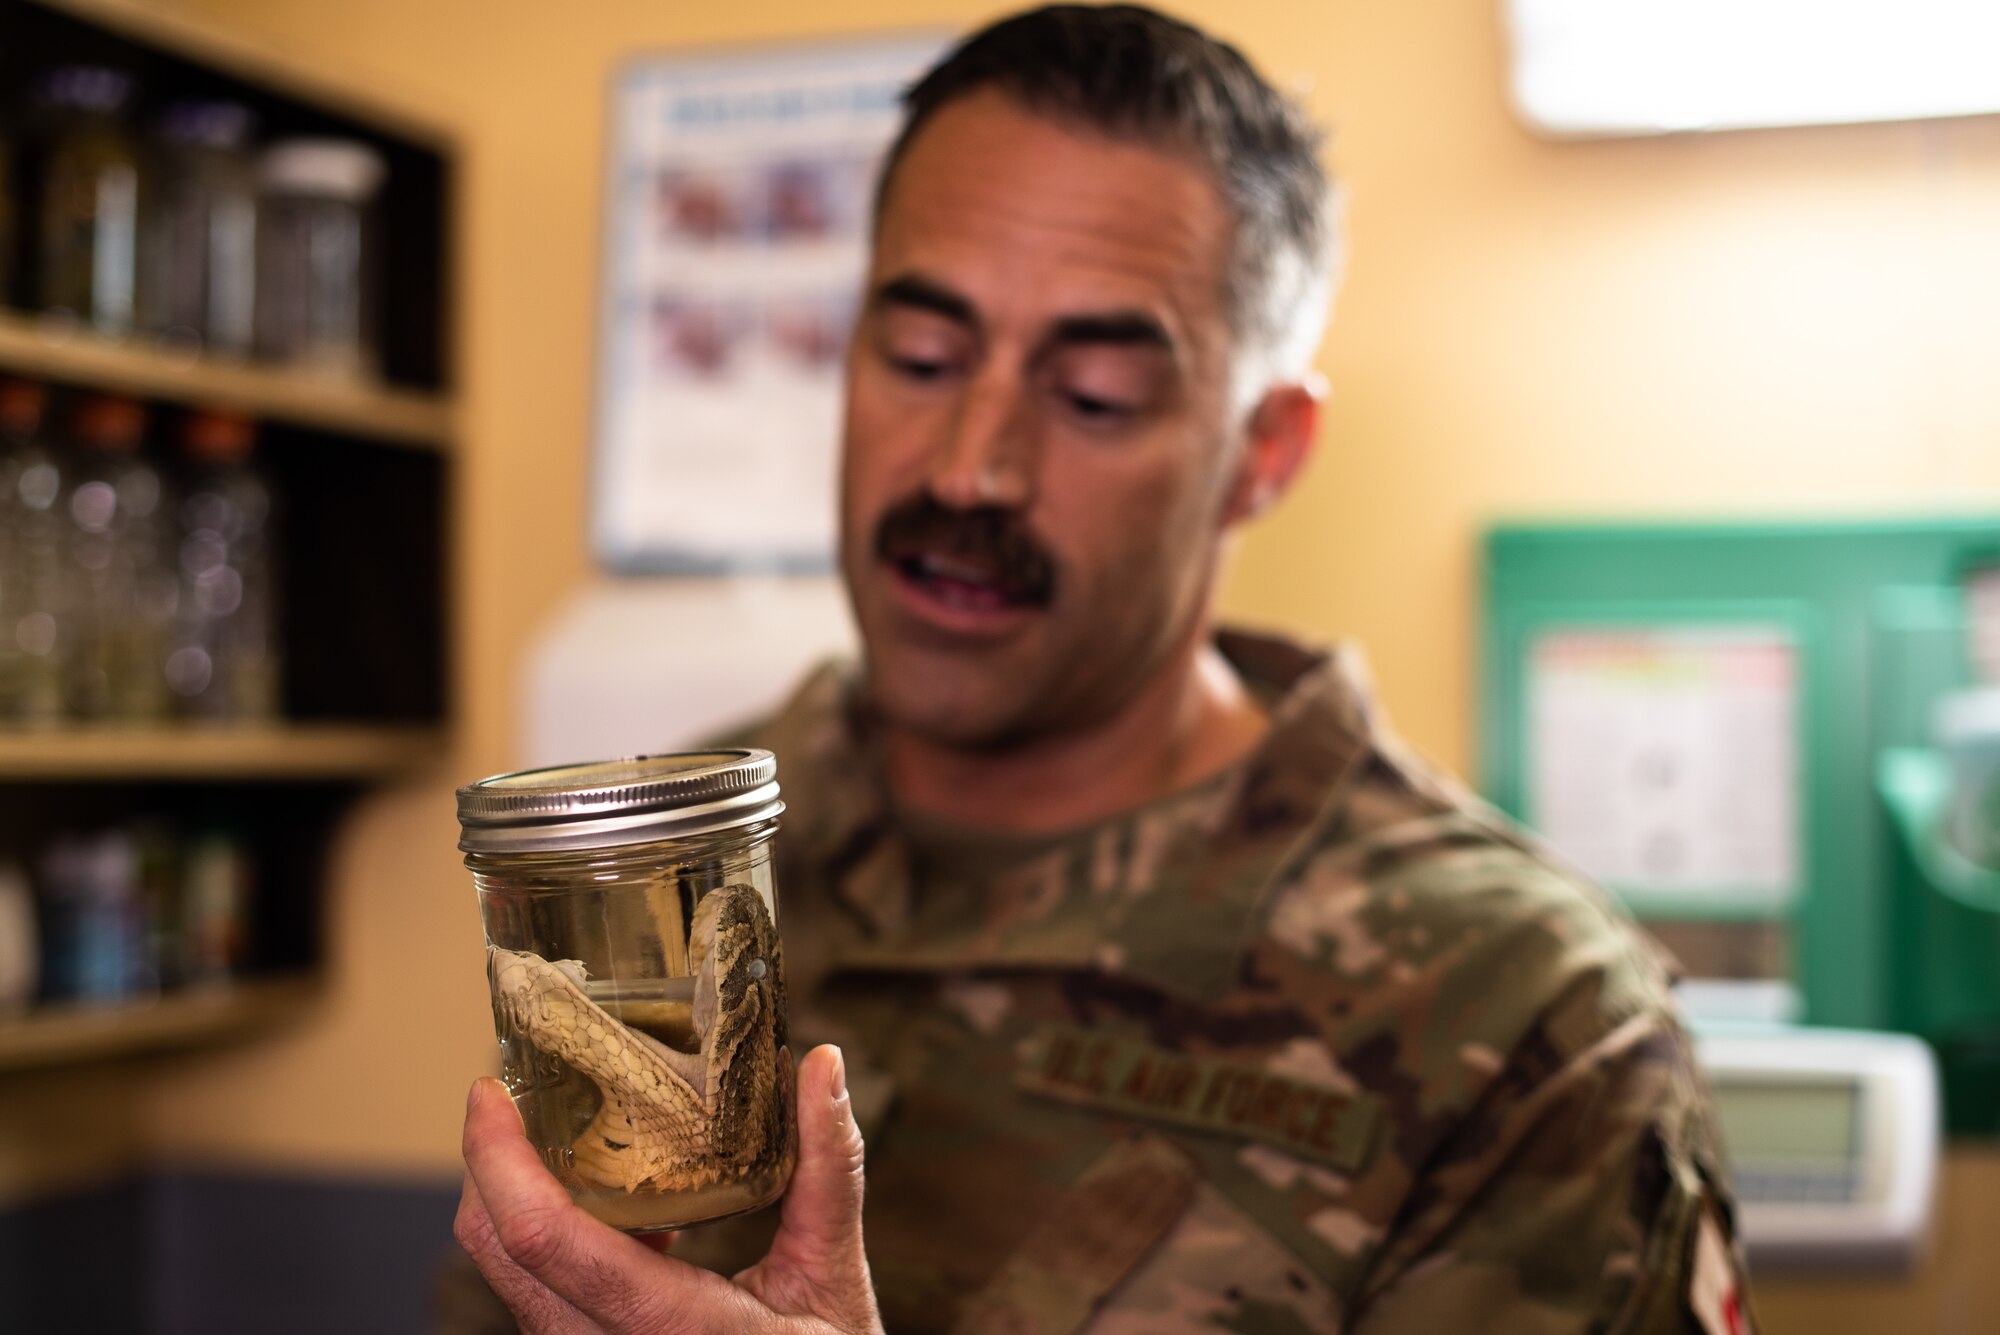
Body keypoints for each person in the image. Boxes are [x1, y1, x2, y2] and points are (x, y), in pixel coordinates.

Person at [452, 6, 1758, 1332]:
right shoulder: (672, 874)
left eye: (1093, 400)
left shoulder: (1523, 1022)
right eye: (920, 357)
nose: (970, 466)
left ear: (1264, 453)